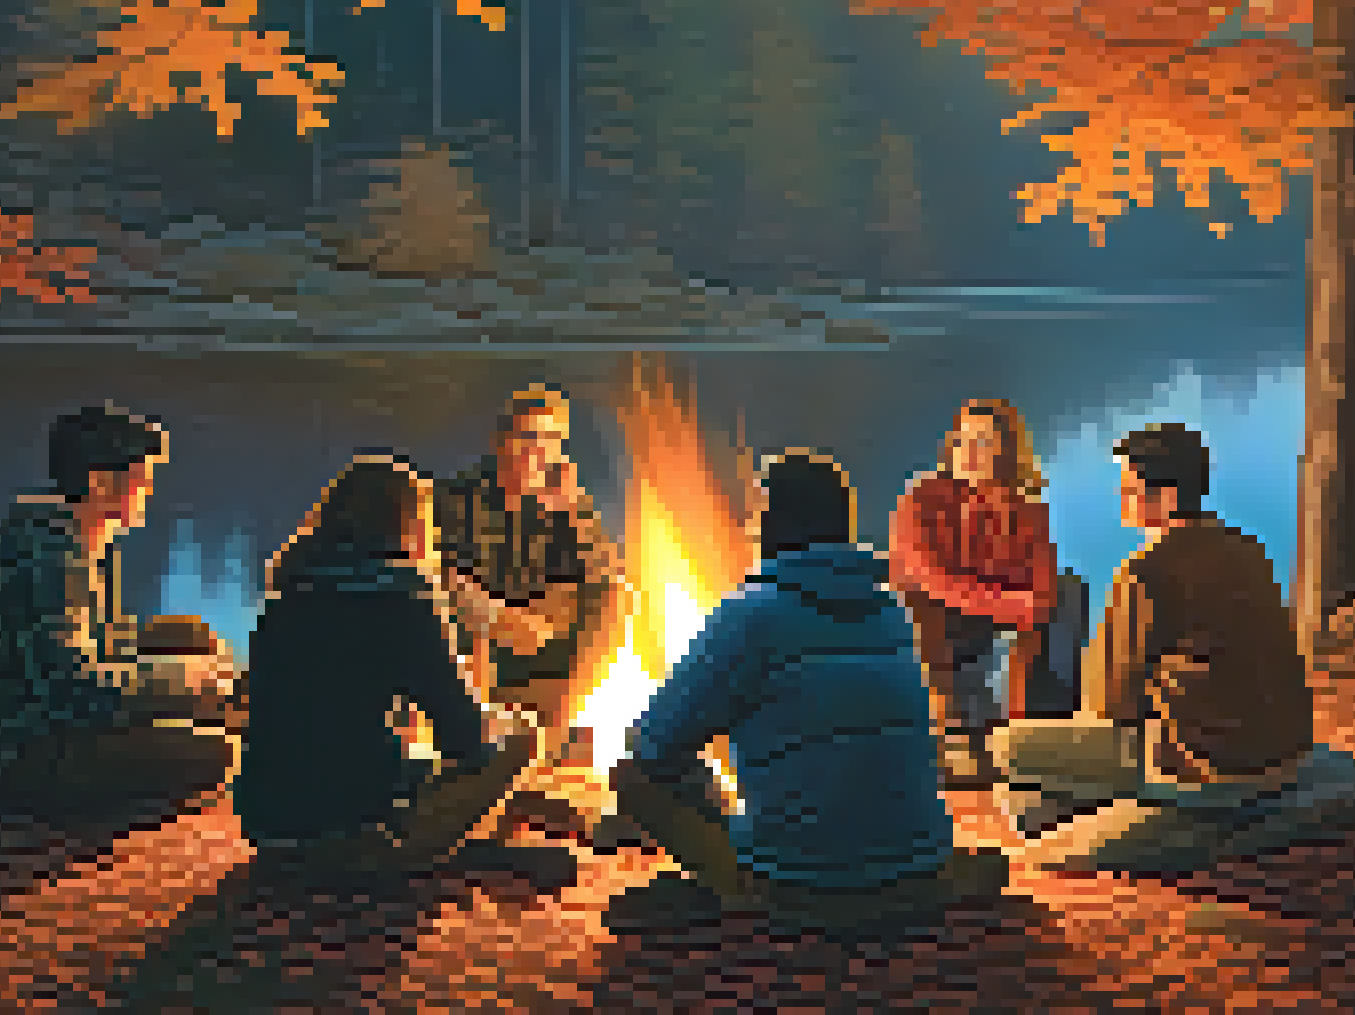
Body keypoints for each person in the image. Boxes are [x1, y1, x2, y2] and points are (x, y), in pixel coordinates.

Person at [605, 449, 1007, 937]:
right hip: (917, 866)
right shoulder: (892, 610)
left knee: (631, 775)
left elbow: (653, 745)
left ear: (774, 524)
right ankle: (907, 886)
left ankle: (750, 895)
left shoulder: (749, 615)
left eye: (757, 515)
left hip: (808, 881)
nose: (751, 529)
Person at [985, 423, 1355, 872]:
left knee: (1008, 748)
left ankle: (1097, 824)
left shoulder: (1145, 571)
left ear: (1166, 497)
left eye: (1129, 488)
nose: (1121, 498)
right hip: (1279, 752)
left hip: (1202, 764)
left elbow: (1111, 705)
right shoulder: (1248, 549)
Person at [238, 454, 568, 884]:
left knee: (399, 749)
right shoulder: (403, 600)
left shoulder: (288, 592)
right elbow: (466, 744)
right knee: (521, 734)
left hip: (268, 828)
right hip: (352, 833)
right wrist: (491, 714)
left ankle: (478, 840)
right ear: (412, 527)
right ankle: (439, 851)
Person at [0, 404, 237, 823]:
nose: (149, 492)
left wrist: (186, 673)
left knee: (187, 638)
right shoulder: (56, 557)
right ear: (100, 484)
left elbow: (108, 654)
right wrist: (186, 679)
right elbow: (73, 690)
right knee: (217, 754)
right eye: (141, 479)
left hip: (40, 712)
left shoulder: (83, 534)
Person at [434, 385, 626, 752]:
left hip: (541, 640)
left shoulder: (569, 505)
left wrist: (572, 514)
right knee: (460, 600)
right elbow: (443, 576)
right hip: (479, 635)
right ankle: (477, 733)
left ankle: (555, 731)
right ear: (502, 442)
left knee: (616, 599)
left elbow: (603, 579)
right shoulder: (459, 498)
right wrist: (499, 617)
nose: (536, 451)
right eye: (528, 437)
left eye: (549, 440)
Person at [889, 398, 1060, 787]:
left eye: (983, 441)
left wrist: (1012, 607)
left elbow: (1043, 587)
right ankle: (948, 738)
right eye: (963, 440)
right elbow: (929, 576)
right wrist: (1005, 603)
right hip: (933, 617)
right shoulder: (921, 498)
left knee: (1054, 612)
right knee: (920, 607)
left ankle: (1010, 744)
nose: (968, 451)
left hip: (991, 623)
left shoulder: (1027, 508)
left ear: (1005, 450)